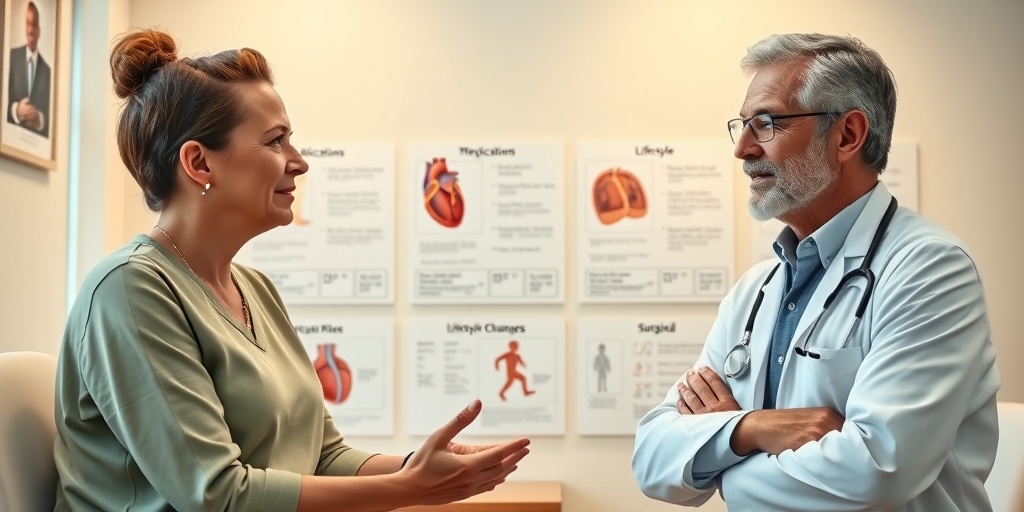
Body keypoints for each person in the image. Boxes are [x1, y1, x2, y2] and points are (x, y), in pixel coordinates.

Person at [53, 29, 530, 511]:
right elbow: (215, 496)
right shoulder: (130, 291)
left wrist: (421, 464)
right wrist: (413, 487)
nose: (298, 163)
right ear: (198, 162)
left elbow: (323, 457)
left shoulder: (255, 289)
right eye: (275, 141)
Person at [631, 33, 1000, 511]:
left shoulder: (930, 270)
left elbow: (875, 473)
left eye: (765, 123)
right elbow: (653, 459)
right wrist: (752, 428)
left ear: (847, 134)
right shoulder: (755, 291)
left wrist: (722, 459)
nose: (742, 149)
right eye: (741, 126)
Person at [6, 1, 50, 137]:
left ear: (39, 30)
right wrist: (15, 109)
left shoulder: (47, 71)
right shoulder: (11, 58)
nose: (31, 30)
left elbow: (49, 116)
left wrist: (39, 120)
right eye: (28, 24)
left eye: (34, 24)